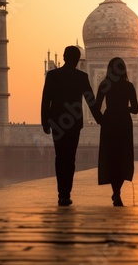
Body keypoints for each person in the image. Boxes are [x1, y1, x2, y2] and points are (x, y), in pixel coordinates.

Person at [41, 46, 102, 206]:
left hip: (57, 122)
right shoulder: (81, 76)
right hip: (74, 123)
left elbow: (46, 99)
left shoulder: (53, 75)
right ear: (77, 60)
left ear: (64, 57)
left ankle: (61, 193)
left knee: (59, 157)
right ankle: (66, 194)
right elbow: (90, 100)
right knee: (70, 158)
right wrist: (101, 119)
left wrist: (45, 121)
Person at [96, 57, 138, 206]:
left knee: (111, 157)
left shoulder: (104, 85)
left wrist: (102, 120)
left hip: (109, 123)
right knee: (122, 158)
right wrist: (123, 108)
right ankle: (117, 193)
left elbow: (96, 107)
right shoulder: (129, 86)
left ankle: (116, 193)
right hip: (124, 123)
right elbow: (135, 109)